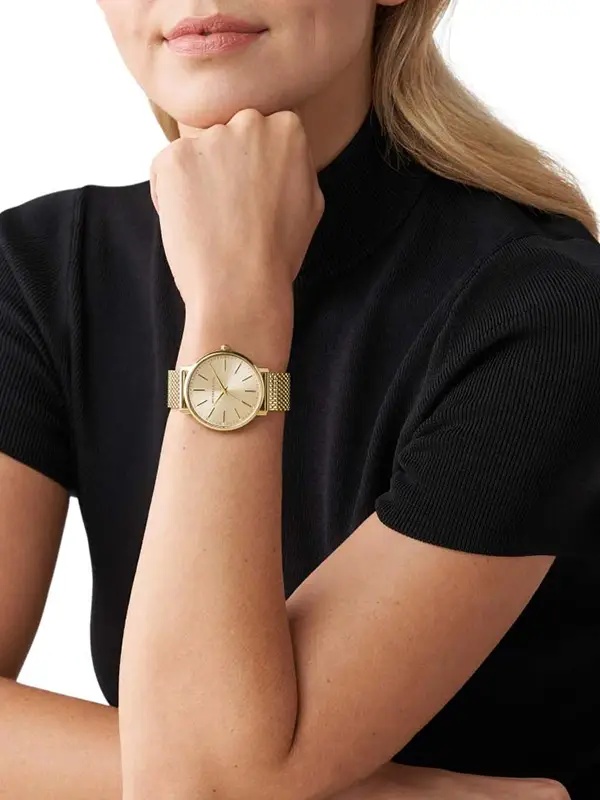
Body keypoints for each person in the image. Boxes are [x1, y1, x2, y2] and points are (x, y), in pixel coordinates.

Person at [0, 0, 598, 798]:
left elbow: (207, 783)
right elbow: (205, 782)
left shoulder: (547, 312)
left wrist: (235, 308)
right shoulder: (39, 273)